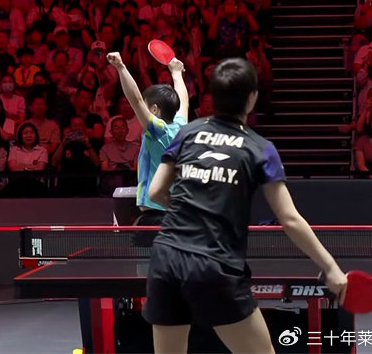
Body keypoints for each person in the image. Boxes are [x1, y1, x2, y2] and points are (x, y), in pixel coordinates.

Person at [144, 58, 347, 353]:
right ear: (252, 98)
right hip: (214, 264)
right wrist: (331, 268)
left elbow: (156, 191)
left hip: (166, 259)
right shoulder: (260, 148)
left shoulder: (187, 133)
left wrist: (188, 208)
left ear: (212, 96)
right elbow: (289, 218)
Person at [106, 51, 188, 225]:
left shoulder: (158, 131)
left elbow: (135, 100)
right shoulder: (181, 126)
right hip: (176, 214)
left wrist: (121, 67)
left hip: (156, 216)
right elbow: (183, 101)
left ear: (155, 109)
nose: (143, 107)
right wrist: (177, 73)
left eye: (147, 104)